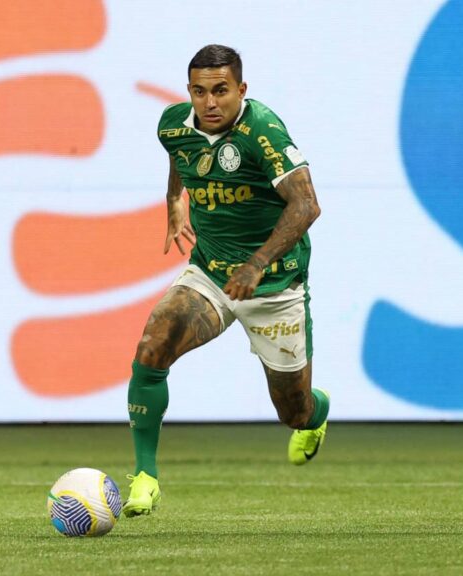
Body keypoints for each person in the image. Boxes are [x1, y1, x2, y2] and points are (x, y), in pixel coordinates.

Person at [122, 44, 330, 517]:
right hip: (212, 274)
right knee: (153, 344)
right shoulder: (174, 124)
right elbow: (181, 154)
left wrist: (256, 265)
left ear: (241, 89)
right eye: (199, 92)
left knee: (292, 411)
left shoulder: (263, 132)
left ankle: (316, 415)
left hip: (274, 285)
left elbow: (306, 205)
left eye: (220, 91)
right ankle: (145, 478)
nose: (209, 103)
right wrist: (175, 200)